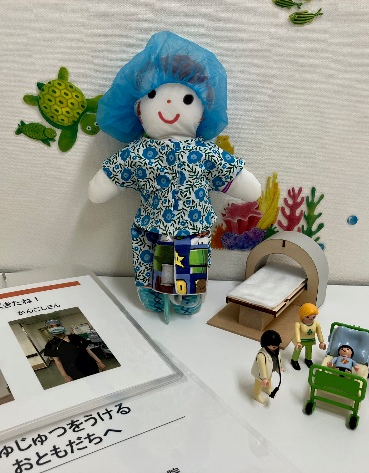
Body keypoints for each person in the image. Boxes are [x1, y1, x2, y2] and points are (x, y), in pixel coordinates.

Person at [88, 31, 261, 317]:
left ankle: (188, 297)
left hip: (193, 229)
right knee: (152, 264)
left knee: (189, 269)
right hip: (152, 227)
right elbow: (110, 178)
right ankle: (154, 294)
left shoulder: (205, 152)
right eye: (153, 95)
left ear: (203, 112)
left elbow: (241, 181)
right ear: (139, 109)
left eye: (187, 99)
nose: (168, 105)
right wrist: (103, 183)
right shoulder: (139, 152)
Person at [251, 330, 284, 404]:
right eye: (272, 344)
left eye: (276, 344)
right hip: (260, 374)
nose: (275, 346)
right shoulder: (261, 355)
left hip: (270, 371)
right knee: (258, 383)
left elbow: (278, 360)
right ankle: (256, 393)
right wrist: (264, 378)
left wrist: (280, 367)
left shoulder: (276, 351)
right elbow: (262, 367)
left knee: (269, 380)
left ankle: (267, 388)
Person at [291, 303, 326, 370]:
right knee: (297, 351)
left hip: (310, 340)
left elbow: (319, 333)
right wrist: (298, 342)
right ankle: (294, 360)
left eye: (313, 317)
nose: (310, 319)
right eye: (307, 317)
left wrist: (321, 342)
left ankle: (308, 359)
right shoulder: (298, 324)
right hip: (301, 341)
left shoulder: (316, 324)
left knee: (309, 351)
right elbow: (297, 333)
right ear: (302, 315)